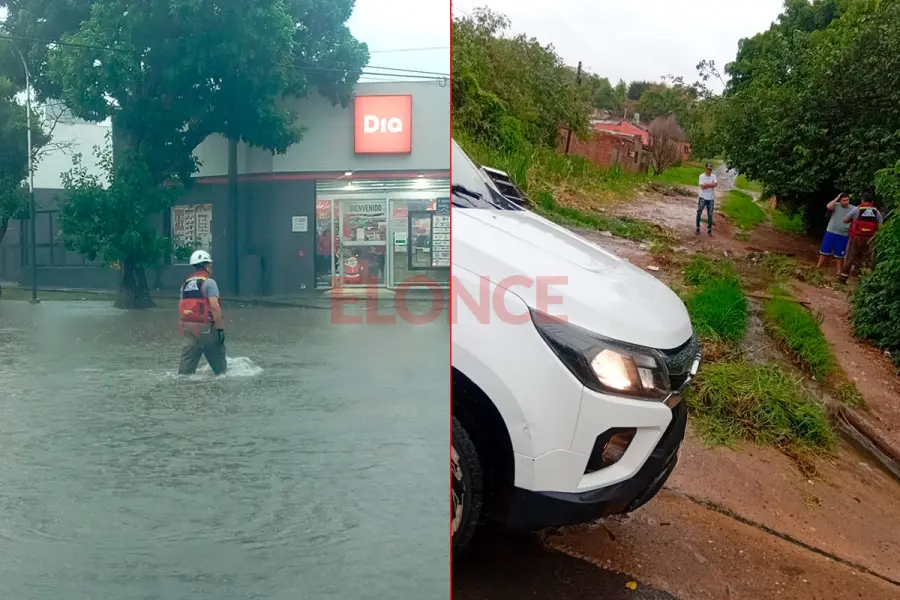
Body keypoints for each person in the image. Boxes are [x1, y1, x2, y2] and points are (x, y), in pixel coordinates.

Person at [178, 250, 227, 376]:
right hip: (207, 329)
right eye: (210, 266)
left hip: (189, 330)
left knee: (184, 375)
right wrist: (220, 330)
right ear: (207, 266)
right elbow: (215, 307)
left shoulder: (185, 284)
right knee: (222, 374)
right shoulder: (209, 283)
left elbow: (181, 306)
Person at [838, 193, 883, 283]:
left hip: (856, 238)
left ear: (862, 200)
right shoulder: (876, 212)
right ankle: (863, 281)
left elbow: (845, 220)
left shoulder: (857, 209)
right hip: (869, 239)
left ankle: (843, 278)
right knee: (866, 259)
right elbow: (880, 227)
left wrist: (854, 221)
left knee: (850, 257)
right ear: (872, 202)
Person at [817, 193, 854, 274]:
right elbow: (828, 206)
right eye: (844, 200)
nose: (846, 202)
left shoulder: (853, 209)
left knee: (839, 255)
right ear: (840, 200)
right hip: (831, 231)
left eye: (847, 200)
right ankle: (818, 267)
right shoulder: (836, 205)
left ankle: (838, 271)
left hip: (843, 234)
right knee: (824, 251)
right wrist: (837, 198)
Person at [696, 162, 718, 236]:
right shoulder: (701, 176)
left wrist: (707, 185)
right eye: (708, 169)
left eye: (710, 169)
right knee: (699, 212)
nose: (709, 170)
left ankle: (709, 230)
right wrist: (711, 185)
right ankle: (698, 228)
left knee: (710, 214)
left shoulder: (714, 176)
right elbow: (702, 187)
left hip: (711, 198)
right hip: (702, 197)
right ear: (706, 168)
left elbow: (716, 184)